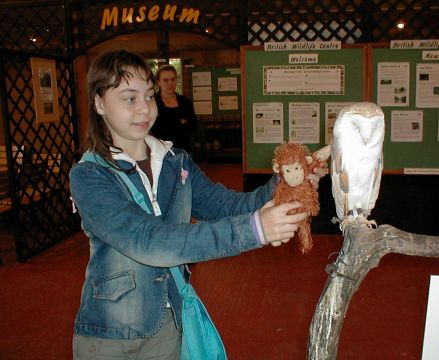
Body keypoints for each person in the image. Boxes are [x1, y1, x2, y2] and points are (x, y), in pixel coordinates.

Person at [70, 49, 325, 359]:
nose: (144, 109)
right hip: (112, 333)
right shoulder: (90, 175)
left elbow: (229, 206)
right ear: (98, 102)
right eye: (129, 98)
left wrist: (290, 182)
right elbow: (149, 241)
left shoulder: (176, 162)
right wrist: (254, 229)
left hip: (170, 321)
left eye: (149, 96)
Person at [150, 64, 197, 152]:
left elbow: (193, 126)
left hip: (184, 151)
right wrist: (180, 123)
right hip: (161, 153)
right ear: (158, 82)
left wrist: (167, 123)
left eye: (173, 79)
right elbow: (154, 131)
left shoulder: (185, 102)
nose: (170, 84)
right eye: (165, 80)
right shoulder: (152, 103)